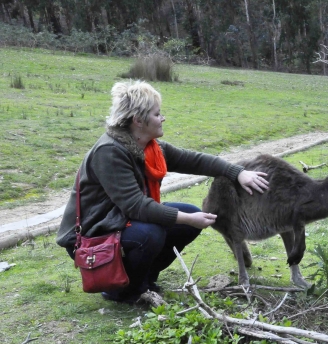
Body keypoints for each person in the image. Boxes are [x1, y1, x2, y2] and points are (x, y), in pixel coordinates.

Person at [56, 80, 270, 303]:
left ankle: (143, 279)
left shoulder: (148, 147)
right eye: (157, 114)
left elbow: (194, 160)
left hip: (120, 221)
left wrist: (238, 173)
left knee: (182, 221)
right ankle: (122, 291)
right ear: (138, 120)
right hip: (94, 232)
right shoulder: (110, 152)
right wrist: (188, 219)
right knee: (153, 232)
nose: (162, 118)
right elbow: (136, 206)